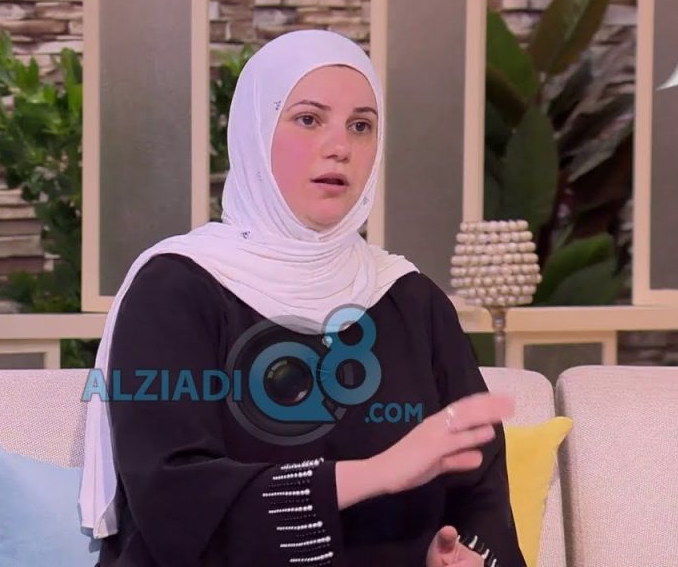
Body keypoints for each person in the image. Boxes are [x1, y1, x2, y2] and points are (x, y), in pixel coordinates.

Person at [79, 30, 525, 567]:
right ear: (255, 134)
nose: (340, 147)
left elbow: (482, 488)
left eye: (361, 126)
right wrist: (379, 473)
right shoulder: (177, 287)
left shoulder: (411, 297)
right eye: (309, 119)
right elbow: (173, 499)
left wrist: (467, 555)